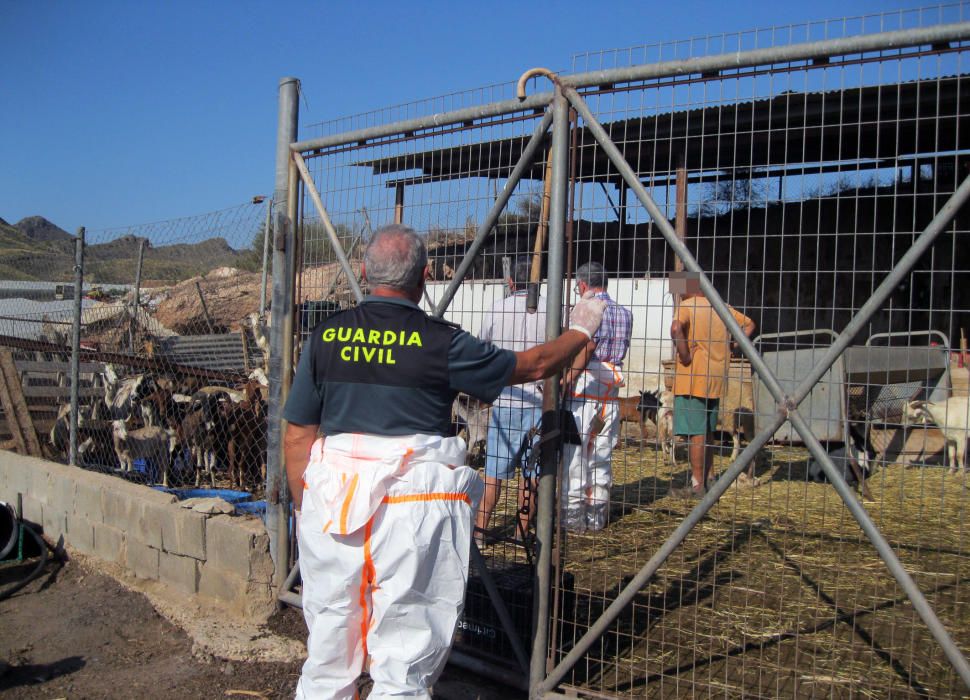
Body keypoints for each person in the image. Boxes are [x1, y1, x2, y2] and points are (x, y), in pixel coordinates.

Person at [282, 224, 606, 699]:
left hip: (332, 503)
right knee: (407, 645)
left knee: (330, 638)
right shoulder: (443, 343)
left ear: (365, 272)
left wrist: (303, 506)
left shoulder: (324, 338)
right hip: (413, 506)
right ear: (426, 276)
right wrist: (581, 328)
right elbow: (534, 366)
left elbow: (297, 435)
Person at [475, 257, 546, 543]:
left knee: (493, 472)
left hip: (505, 399)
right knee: (532, 472)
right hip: (539, 402)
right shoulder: (549, 310)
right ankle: (520, 532)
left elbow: (482, 347)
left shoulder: (497, 309)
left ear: (511, 282)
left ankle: (480, 531)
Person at [668, 270, 755, 498]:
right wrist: (732, 346)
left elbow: (676, 329)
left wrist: (685, 356)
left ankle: (697, 486)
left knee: (695, 433)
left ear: (689, 286)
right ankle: (710, 477)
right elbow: (749, 325)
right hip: (716, 377)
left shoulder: (688, 306)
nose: (678, 294)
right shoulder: (720, 306)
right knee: (707, 431)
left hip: (693, 378)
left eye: (679, 288)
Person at [561, 261, 633, 532]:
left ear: (582, 285)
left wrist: (568, 378)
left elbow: (587, 347)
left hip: (585, 391)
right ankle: (597, 518)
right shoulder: (625, 313)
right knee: (601, 455)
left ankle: (573, 521)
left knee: (575, 455)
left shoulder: (586, 309)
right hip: (610, 395)